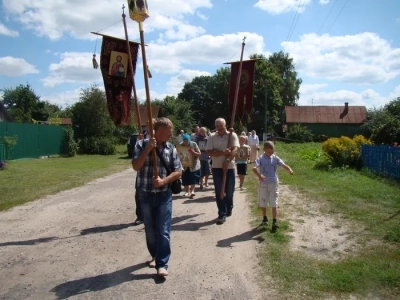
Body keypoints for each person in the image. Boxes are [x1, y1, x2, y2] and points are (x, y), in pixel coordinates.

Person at [132, 117, 182, 277]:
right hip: (145, 194)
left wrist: (163, 181)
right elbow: (135, 166)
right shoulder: (140, 144)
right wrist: (147, 149)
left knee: (163, 230)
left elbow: (178, 171)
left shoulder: (170, 148)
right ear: (160, 131)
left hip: (163, 195)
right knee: (150, 230)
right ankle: (154, 254)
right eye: (169, 131)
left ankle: (162, 263)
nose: (171, 134)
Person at [252, 141, 293, 232]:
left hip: (273, 183)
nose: (271, 153)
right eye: (269, 152)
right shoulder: (260, 158)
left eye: (272, 152)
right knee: (263, 201)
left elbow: (283, 165)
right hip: (263, 184)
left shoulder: (275, 158)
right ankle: (265, 218)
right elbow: (254, 168)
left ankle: (275, 222)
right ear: (264, 150)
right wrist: (259, 175)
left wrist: (289, 169)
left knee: (274, 201)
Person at [206, 118, 239, 224]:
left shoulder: (232, 135)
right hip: (216, 168)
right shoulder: (211, 137)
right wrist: (222, 152)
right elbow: (209, 151)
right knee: (219, 191)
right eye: (217, 126)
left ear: (225, 125)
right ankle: (221, 213)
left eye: (221, 125)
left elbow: (235, 149)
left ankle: (229, 207)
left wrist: (228, 160)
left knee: (229, 192)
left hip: (229, 168)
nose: (219, 128)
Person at [180, 134, 201, 198]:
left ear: (189, 140)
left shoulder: (194, 144)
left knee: (193, 178)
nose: (186, 142)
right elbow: (178, 154)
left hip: (193, 164)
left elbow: (199, 154)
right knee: (185, 178)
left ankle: (192, 191)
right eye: (184, 141)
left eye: (187, 141)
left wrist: (193, 152)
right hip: (184, 164)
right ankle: (187, 191)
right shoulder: (180, 145)